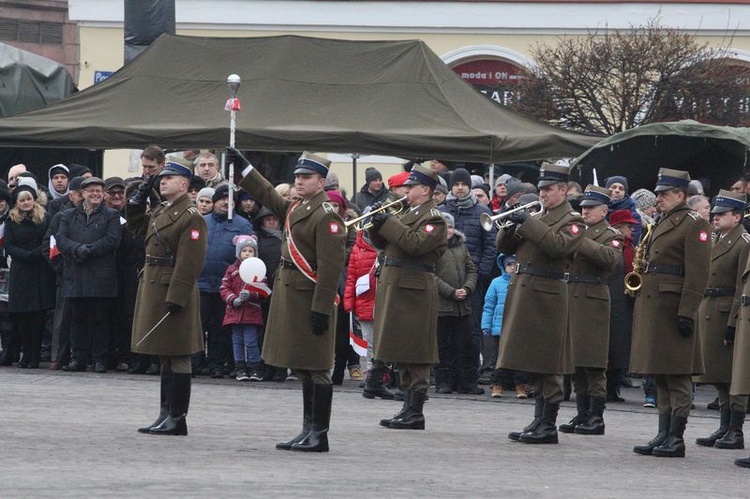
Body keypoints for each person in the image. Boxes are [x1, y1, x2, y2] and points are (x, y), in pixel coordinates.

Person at [228, 148, 347, 452]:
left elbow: (331, 267)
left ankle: (319, 434)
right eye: (297, 177)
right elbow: (269, 195)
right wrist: (245, 168)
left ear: (321, 182)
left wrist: (321, 307)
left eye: (306, 177)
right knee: (304, 365)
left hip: (310, 295)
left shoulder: (326, 215)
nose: (299, 182)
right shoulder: (298, 208)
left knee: (317, 366)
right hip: (292, 293)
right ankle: (307, 429)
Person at [495, 162, 584, 444]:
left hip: (548, 295)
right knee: (532, 360)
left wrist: (528, 221)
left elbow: (558, 247)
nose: (543, 194)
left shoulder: (573, 220)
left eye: (548, 189)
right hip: (526, 291)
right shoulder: (539, 216)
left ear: (563, 190)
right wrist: (511, 224)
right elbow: (503, 246)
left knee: (549, 362)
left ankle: (548, 424)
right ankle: (538, 419)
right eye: (542, 189)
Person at [630, 168, 711, 458]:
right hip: (656, 306)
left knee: (677, 376)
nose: (659, 198)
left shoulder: (694, 224)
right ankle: (663, 433)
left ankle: (676, 436)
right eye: (659, 193)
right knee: (661, 374)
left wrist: (687, 312)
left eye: (665, 194)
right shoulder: (662, 221)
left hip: (674, 307)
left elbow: (699, 273)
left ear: (680, 195)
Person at [127, 159, 207, 436]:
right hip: (154, 283)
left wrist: (177, 295)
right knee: (164, 354)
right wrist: (137, 198)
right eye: (162, 178)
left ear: (184, 185)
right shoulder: (163, 209)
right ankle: (165, 413)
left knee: (178, 354)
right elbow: (136, 227)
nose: (163, 181)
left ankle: (178, 417)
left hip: (172, 287)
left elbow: (190, 261)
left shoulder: (191, 216)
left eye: (169, 178)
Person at [368, 164, 447, 430]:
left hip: (415, 289)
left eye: (411, 187)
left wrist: (388, 222)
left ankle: (415, 411)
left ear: (425, 190)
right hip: (397, 285)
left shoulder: (434, 219)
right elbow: (385, 244)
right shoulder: (405, 213)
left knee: (416, 351)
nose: (406, 191)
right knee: (400, 348)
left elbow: (414, 244)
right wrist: (375, 226)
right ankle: (406, 407)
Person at [559, 185, 622, 436]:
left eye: (591, 208)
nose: (585, 211)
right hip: (572, 295)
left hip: (594, 298)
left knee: (594, 362)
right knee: (576, 362)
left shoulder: (610, 234)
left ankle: (596, 417)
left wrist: (579, 240)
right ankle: (582, 413)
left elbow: (610, 259)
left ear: (604, 210)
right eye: (583, 207)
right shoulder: (578, 230)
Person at [693, 190, 749, 450]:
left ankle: (735, 430)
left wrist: (734, 321)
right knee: (717, 375)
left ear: (737, 217)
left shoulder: (743, 243)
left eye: (722, 214)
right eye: (714, 213)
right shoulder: (716, 238)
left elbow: (742, 285)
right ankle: (724, 426)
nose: (715, 218)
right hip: (710, 308)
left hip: (727, 310)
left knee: (732, 376)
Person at [57, 177, 122, 373]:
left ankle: (99, 359)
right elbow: (60, 238)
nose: (95, 194)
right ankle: (78, 358)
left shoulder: (111, 215)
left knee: (100, 320)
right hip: (76, 274)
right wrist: (77, 249)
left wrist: (90, 250)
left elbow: (113, 240)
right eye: (91, 190)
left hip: (101, 276)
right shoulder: (68, 215)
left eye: (98, 191)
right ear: (82, 193)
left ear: (103, 194)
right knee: (78, 319)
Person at [439, 167, 496, 384]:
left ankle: (470, 376)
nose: (460, 188)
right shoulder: (441, 210)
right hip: (445, 282)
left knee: (471, 331)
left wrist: (479, 274)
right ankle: (447, 376)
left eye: (464, 184)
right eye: (456, 184)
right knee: (446, 333)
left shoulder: (482, 212)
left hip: (472, 281)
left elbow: (490, 245)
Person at [198, 184, 254, 378]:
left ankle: (216, 363)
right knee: (199, 324)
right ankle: (195, 362)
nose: (225, 202)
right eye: (221, 198)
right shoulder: (201, 221)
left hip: (227, 286)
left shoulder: (242, 225)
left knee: (220, 327)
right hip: (201, 282)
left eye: (229, 199)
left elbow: (248, 256)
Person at [4, 180, 55, 368]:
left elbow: (48, 239)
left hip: (40, 270)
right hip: (21, 270)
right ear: (17, 203)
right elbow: (9, 245)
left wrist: (38, 253)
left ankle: (35, 355)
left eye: (29, 199)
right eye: (22, 200)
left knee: (38, 316)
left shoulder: (44, 217)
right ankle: (25, 354)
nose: (26, 203)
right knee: (22, 317)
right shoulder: (11, 220)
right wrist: (26, 255)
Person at [434, 212, 480, 394]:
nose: (448, 231)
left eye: (451, 227)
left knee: (465, 344)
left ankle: (466, 382)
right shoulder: (433, 248)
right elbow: (432, 275)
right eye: (444, 227)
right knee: (443, 346)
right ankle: (444, 381)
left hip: (463, 306)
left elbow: (471, 270)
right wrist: (451, 292)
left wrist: (467, 289)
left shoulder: (461, 247)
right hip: (442, 306)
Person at [220, 235, 267, 382]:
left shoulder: (258, 270)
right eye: (244, 251)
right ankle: (239, 367)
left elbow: (264, 290)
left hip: (251, 313)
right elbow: (224, 288)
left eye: (250, 251)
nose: (247, 253)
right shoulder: (232, 270)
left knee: (251, 341)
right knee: (237, 341)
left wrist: (252, 294)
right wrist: (233, 299)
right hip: (234, 312)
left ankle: (254, 367)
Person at [483, 254, 529, 398]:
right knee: (498, 357)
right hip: (499, 327)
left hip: (518, 326)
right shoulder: (496, 282)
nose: (512, 267)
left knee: (519, 357)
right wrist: (486, 324)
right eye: (509, 264)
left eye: (515, 264)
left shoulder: (524, 282)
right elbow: (489, 306)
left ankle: (520, 386)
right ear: (503, 266)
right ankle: (497, 384)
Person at [605, 176, 642, 244]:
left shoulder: (633, 215)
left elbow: (633, 241)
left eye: (621, 189)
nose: (617, 190)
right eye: (613, 187)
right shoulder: (599, 209)